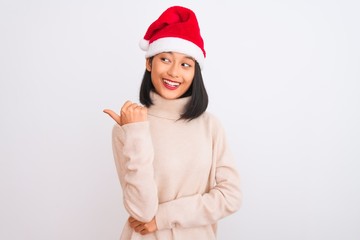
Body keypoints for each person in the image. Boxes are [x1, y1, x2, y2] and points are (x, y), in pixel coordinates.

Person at [103, 5, 242, 240]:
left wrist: (162, 219)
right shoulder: (127, 128)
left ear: (194, 71)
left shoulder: (210, 126)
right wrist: (135, 133)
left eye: (185, 64)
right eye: (165, 59)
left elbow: (231, 197)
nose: (174, 72)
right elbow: (141, 211)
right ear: (149, 63)